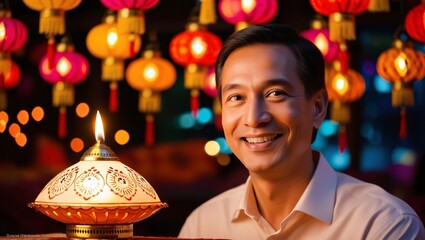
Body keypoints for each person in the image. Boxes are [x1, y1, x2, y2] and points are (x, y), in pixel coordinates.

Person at [178, 23, 425, 239]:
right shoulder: (202, 224)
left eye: (276, 93)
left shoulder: (383, 223)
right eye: (236, 97)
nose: (254, 118)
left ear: (317, 107)